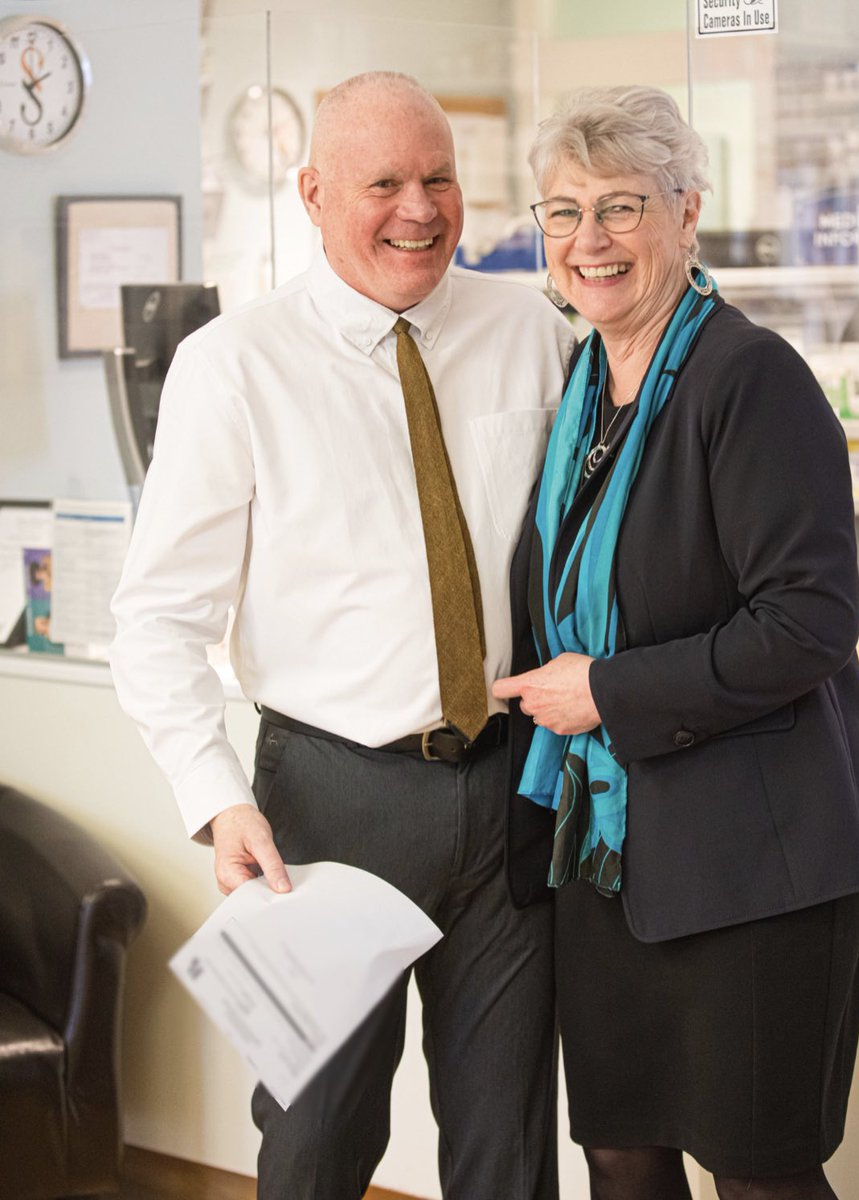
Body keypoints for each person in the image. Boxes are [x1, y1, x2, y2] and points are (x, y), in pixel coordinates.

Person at [110, 71, 575, 1200]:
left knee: (507, 1151)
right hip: (326, 803)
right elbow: (156, 618)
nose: (419, 209)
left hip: (508, 786)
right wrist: (217, 797)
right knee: (317, 1145)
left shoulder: (530, 329)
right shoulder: (235, 364)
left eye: (439, 179)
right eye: (383, 183)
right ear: (313, 193)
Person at [493, 85, 859, 1200]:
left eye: (621, 208)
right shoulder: (586, 382)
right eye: (564, 212)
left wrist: (607, 693)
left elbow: (809, 621)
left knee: (757, 1172)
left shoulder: (746, 377)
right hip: (614, 856)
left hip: (753, 862)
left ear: (686, 212)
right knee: (620, 1152)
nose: (590, 242)